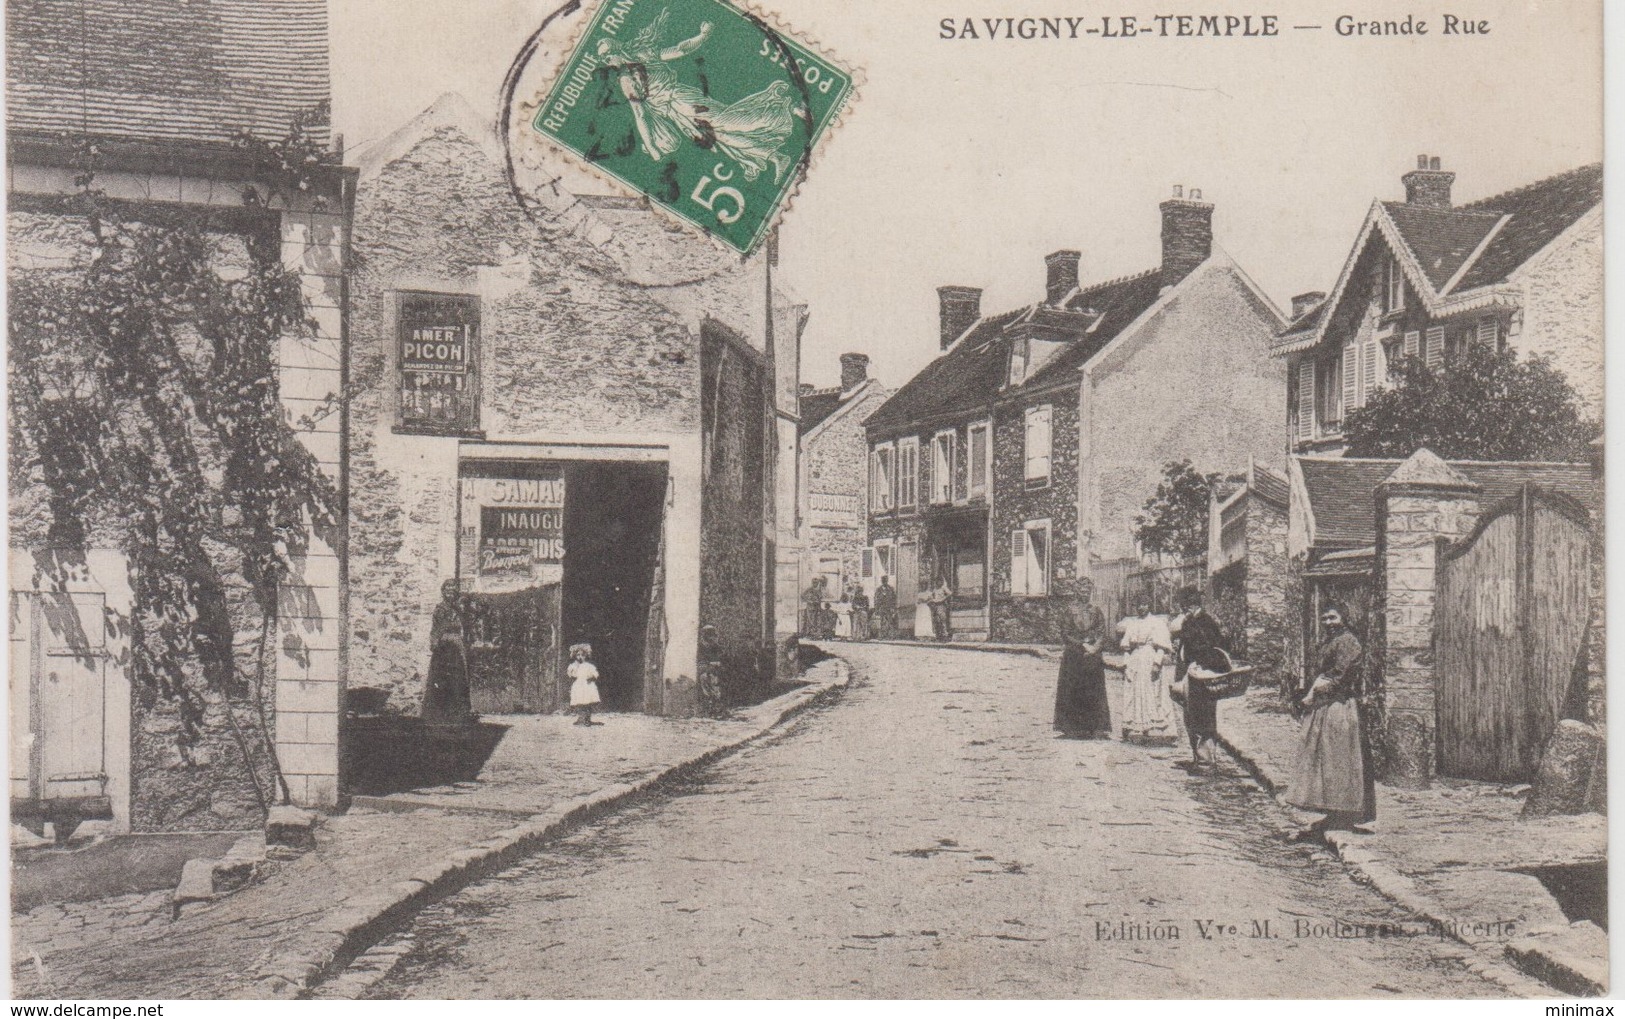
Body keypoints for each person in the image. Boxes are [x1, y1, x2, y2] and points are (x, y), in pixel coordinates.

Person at [1286, 603, 1376, 839]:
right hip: (1325, 704)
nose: (1328, 622)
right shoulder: (1329, 641)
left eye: (1333, 617)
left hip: (1339, 706)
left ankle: (1344, 812)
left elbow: (1342, 676)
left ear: (1344, 618)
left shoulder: (1348, 641)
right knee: (1326, 757)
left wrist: (1316, 693)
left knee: (1339, 757)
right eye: (1324, 618)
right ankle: (1332, 812)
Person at [1174, 587, 1226, 769]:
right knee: (1191, 715)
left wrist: (1200, 662)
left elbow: (1212, 648)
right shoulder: (1189, 621)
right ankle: (1197, 756)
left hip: (1204, 674)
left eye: (1186, 605)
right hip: (1191, 673)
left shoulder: (1206, 622)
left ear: (1192, 604)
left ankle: (1207, 757)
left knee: (1205, 714)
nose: (1184, 609)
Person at [1053, 580, 1111, 738]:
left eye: (1087, 591)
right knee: (1072, 689)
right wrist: (1083, 645)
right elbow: (1065, 633)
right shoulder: (1069, 610)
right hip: (1074, 655)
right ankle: (1072, 727)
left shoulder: (1096, 610)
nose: (1085, 593)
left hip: (1092, 657)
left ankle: (1094, 727)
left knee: (1093, 690)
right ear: (1077, 592)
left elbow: (1101, 632)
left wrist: (1095, 647)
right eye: (1082, 590)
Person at [1117, 595, 1177, 744]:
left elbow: (1162, 647)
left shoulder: (1157, 623)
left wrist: (1157, 663)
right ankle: (1134, 726)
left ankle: (1153, 726)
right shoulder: (1132, 623)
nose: (1141, 608)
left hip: (1150, 657)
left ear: (1149, 605)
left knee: (1152, 691)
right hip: (1135, 659)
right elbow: (1126, 647)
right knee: (1134, 691)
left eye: (1144, 604)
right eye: (1138, 605)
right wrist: (1126, 663)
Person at [422, 579, 472, 722]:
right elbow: (437, 629)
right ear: (443, 592)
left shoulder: (457, 609)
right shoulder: (440, 609)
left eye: (453, 591)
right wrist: (437, 642)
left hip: (456, 648)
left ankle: (457, 712)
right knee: (442, 678)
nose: (450, 593)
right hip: (444, 649)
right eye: (447, 591)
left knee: (458, 679)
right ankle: (440, 713)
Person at [568, 643, 603, 726]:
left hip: (587, 686)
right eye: (578, 655)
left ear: (586, 655)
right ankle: (581, 718)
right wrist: (574, 671)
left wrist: (591, 677)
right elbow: (571, 675)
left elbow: (595, 674)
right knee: (579, 703)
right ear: (575, 656)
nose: (580, 657)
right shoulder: (573, 666)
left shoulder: (589, 666)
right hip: (579, 686)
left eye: (582, 655)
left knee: (587, 703)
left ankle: (587, 719)